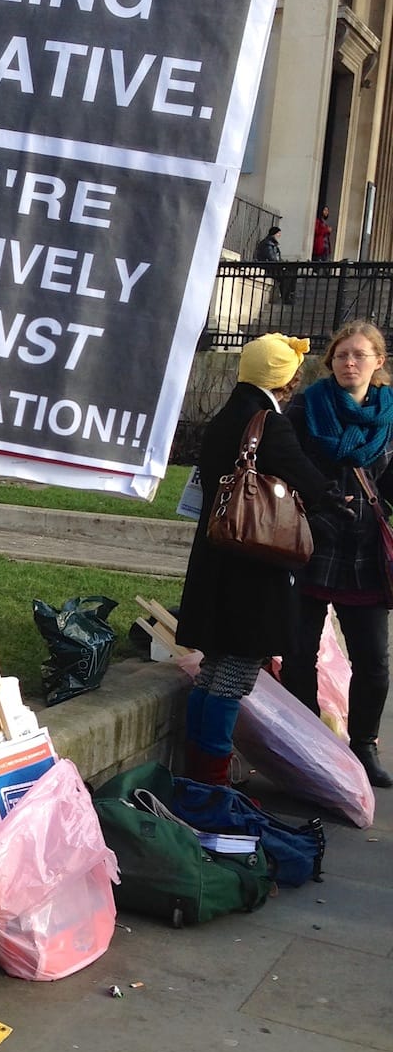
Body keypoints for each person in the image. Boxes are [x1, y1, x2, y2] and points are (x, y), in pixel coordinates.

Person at [176, 334, 340, 785]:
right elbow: (302, 475)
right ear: (286, 378)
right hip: (252, 566)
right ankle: (210, 782)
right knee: (235, 674)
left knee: (213, 670)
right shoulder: (268, 422)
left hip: (217, 560)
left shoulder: (225, 416)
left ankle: (196, 771)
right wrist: (332, 499)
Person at [280, 321, 393, 787]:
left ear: (378, 362)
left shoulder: (390, 413)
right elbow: (285, 461)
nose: (350, 363)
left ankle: (363, 745)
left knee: (373, 659)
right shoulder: (308, 405)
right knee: (298, 650)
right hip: (312, 540)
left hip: (366, 549)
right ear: (331, 362)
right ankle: (307, 739)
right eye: (342, 355)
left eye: (360, 355)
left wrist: (381, 508)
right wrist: (320, 502)